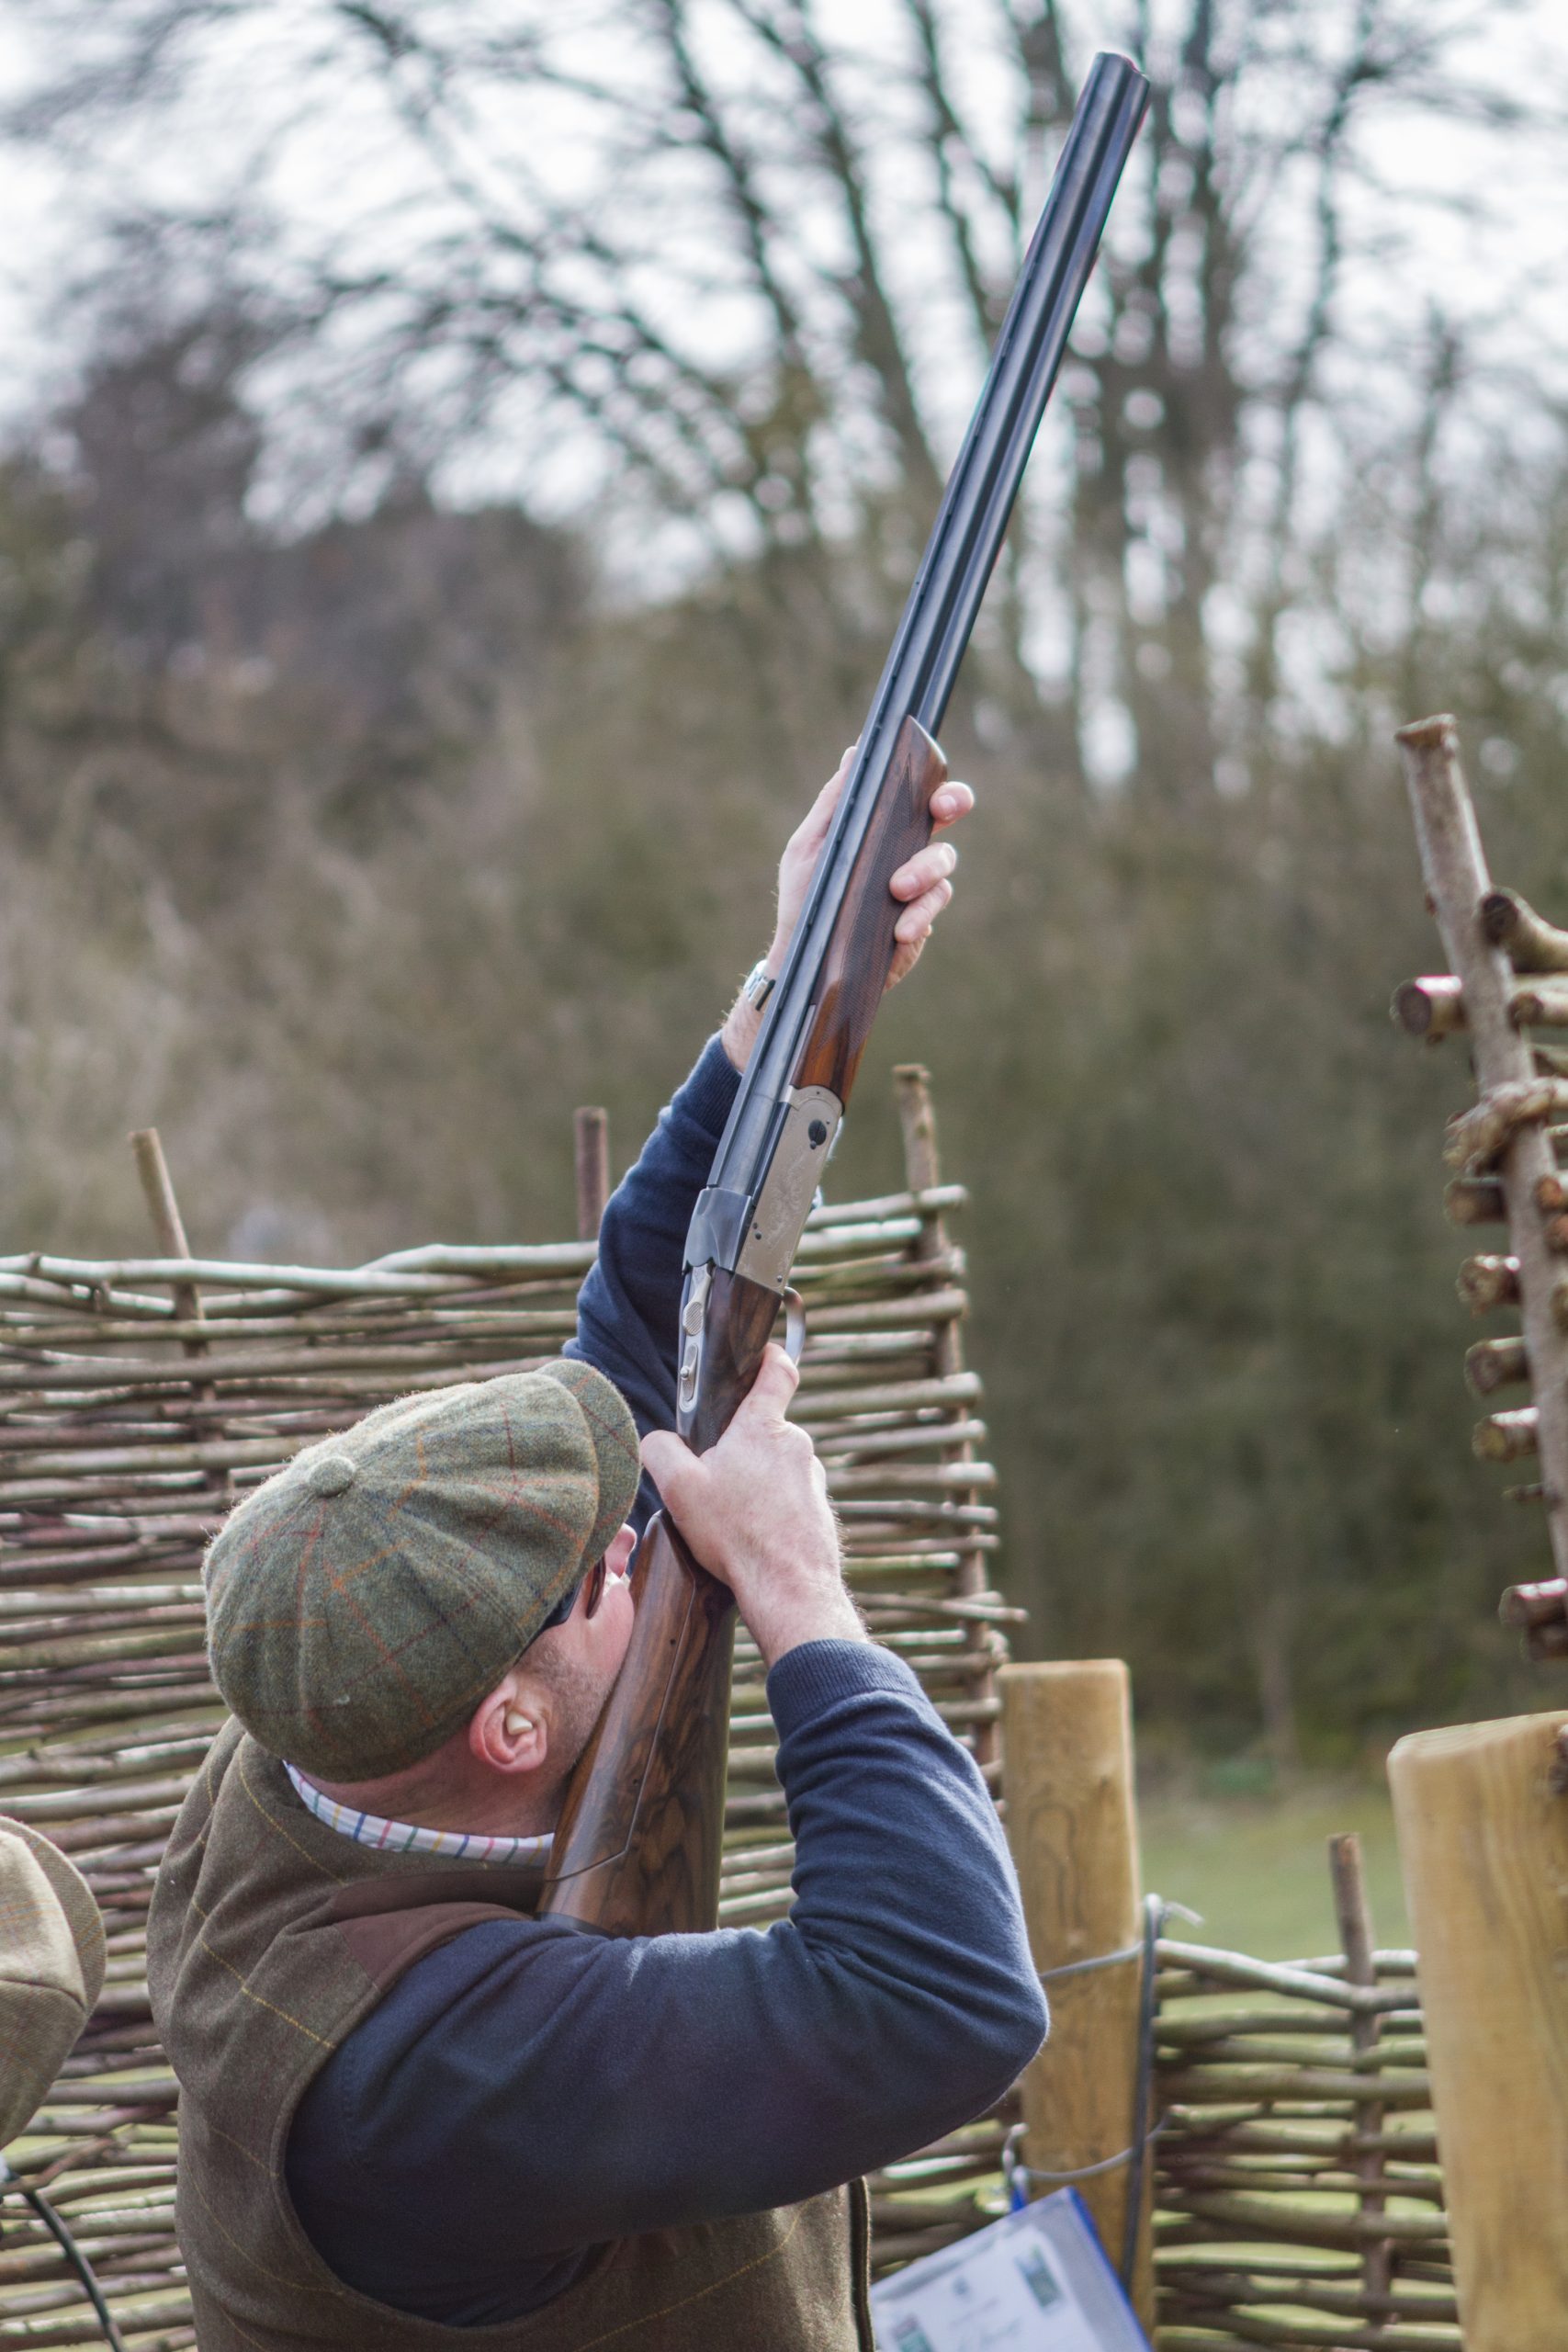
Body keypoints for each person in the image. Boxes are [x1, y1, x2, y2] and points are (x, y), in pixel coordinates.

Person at [148, 752, 1048, 2351]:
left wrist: (791, 992)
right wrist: (801, 1593)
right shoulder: (425, 2085)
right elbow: (945, 1998)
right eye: (600, 1571)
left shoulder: (335, 1706)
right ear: (510, 1728)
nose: (633, 1544)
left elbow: (648, 1345)